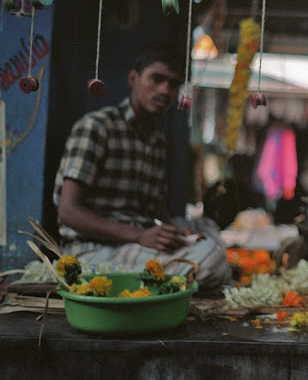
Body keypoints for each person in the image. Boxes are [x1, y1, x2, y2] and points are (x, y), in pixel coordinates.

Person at [53, 43, 232, 291]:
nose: (165, 90)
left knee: (211, 237)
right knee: (212, 260)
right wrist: (137, 234)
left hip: (140, 245)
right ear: (133, 78)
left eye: (174, 84)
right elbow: (68, 211)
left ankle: (165, 283)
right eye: (156, 79)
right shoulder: (97, 127)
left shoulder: (157, 140)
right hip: (94, 252)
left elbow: (156, 210)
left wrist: (180, 234)